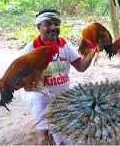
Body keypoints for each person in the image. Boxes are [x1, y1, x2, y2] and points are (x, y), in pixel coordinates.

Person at [20, 9, 98, 145]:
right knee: (43, 107)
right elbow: (31, 82)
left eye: (56, 24)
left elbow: (81, 66)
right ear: (39, 27)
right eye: (47, 24)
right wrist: (47, 93)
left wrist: (93, 50)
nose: (53, 27)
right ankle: (42, 133)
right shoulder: (31, 49)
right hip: (38, 93)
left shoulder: (65, 45)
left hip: (62, 94)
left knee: (71, 126)